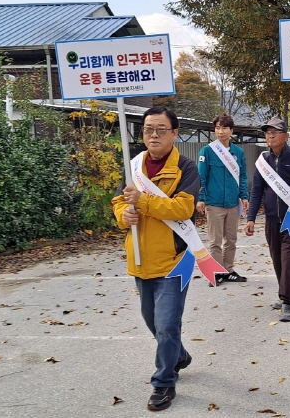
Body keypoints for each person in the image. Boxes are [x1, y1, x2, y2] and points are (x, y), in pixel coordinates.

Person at [111, 107, 199, 412]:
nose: (154, 135)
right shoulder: (133, 164)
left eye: (161, 129)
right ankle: (178, 355)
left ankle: (163, 383)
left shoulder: (186, 168)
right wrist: (124, 215)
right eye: (148, 129)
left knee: (167, 323)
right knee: (152, 321)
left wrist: (143, 201)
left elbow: (183, 209)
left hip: (176, 260)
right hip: (141, 257)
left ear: (174, 133)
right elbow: (118, 201)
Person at [245, 118, 290, 323]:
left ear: (286, 136)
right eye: (267, 132)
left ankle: (286, 301)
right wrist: (251, 218)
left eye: (275, 131)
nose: (270, 135)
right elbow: (257, 191)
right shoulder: (263, 161)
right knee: (278, 260)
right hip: (272, 219)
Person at [197, 113, 249, 284]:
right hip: (214, 203)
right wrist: (201, 198)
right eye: (217, 128)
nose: (221, 131)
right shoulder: (207, 151)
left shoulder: (238, 152)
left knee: (231, 239)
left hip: (232, 203)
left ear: (231, 131)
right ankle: (217, 272)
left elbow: (242, 176)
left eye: (224, 128)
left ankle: (229, 270)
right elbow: (201, 177)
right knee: (215, 241)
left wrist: (244, 195)